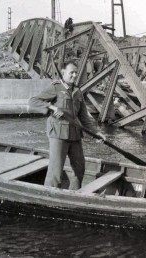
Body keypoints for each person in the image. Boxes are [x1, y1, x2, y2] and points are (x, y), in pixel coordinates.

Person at [29, 60, 106, 189]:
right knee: (56, 172)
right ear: (63, 72)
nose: (75, 75)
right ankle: (49, 196)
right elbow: (33, 101)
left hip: (75, 135)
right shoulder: (55, 87)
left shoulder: (78, 91)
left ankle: (75, 195)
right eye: (72, 73)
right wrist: (52, 108)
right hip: (58, 134)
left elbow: (84, 117)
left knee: (80, 169)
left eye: (76, 73)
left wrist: (96, 133)